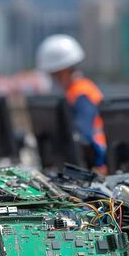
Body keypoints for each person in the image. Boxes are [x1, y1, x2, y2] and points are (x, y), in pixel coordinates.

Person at [36, 34, 106, 170]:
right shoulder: (74, 92)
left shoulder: (82, 94)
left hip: (98, 165)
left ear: (63, 71)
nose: (53, 79)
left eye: (53, 74)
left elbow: (81, 136)